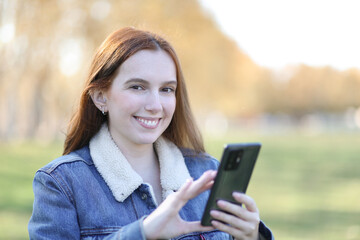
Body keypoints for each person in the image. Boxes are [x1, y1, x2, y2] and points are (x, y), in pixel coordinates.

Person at [28, 27, 273, 240]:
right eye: (138, 87)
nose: (156, 105)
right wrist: (143, 232)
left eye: (167, 89)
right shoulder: (61, 184)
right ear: (101, 96)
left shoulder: (207, 173)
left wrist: (251, 238)